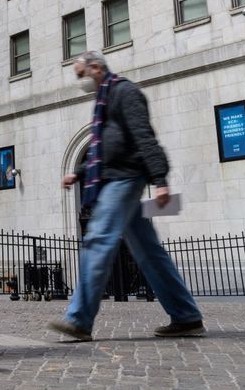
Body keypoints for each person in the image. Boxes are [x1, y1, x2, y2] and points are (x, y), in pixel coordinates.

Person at [48, 50, 204, 340]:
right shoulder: (104, 101)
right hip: (116, 176)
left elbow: (144, 136)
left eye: (80, 74)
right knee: (149, 253)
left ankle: (79, 320)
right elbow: (103, 149)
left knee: (97, 239)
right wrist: (79, 173)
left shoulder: (125, 93)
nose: (79, 81)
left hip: (126, 178)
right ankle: (187, 316)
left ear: (96, 68)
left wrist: (160, 180)